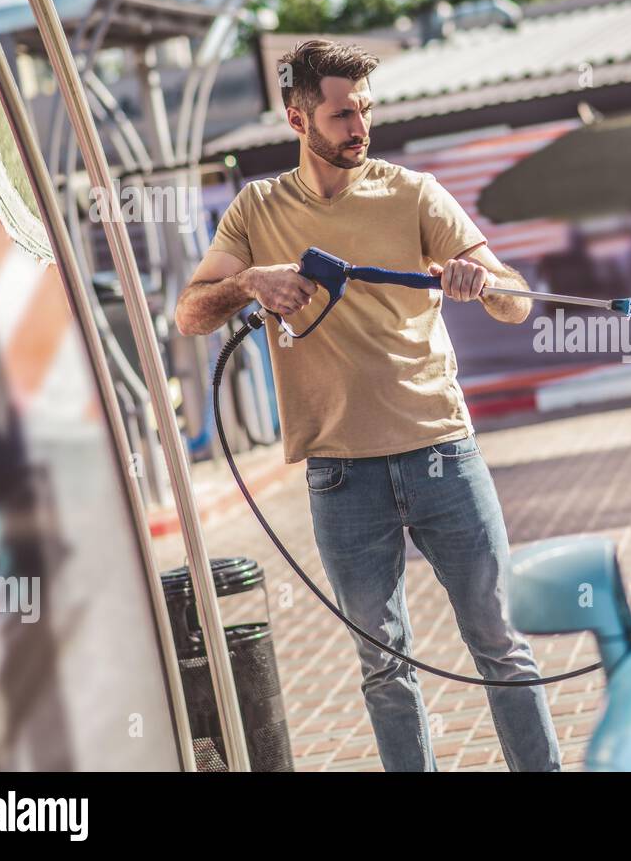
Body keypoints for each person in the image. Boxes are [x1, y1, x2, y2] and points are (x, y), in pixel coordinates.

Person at [174, 39, 560, 772]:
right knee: (385, 668)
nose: (360, 127)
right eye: (342, 113)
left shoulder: (413, 192)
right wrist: (251, 281)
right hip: (341, 477)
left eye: (366, 111)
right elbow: (191, 315)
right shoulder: (256, 210)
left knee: (501, 646)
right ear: (297, 118)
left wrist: (483, 283)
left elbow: (516, 303)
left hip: (442, 450)